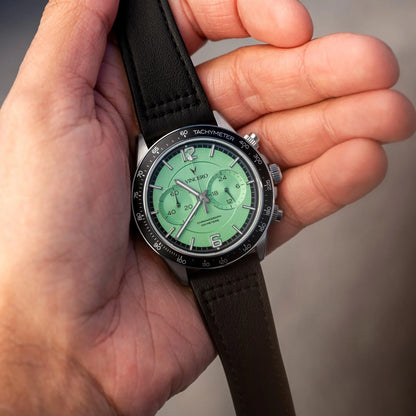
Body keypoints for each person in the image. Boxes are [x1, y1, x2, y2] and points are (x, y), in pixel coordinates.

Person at [0, 0, 414, 414]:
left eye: (205, 192)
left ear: (261, 168)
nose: (200, 197)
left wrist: (51, 363)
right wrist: (55, 360)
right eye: (191, 195)